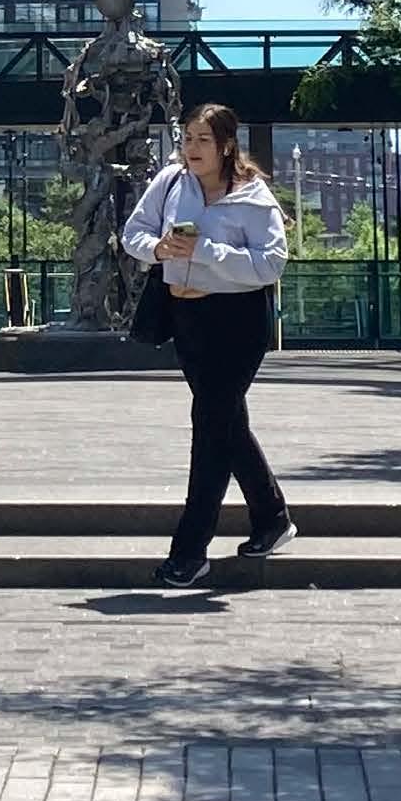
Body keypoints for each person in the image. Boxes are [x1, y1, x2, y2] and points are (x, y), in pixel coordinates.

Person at [122, 102, 294, 586]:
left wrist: (206, 251)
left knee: (210, 424)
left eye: (202, 139)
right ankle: (272, 517)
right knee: (226, 424)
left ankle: (190, 550)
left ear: (226, 145)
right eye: (186, 138)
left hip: (238, 320)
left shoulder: (254, 197)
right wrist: (157, 248)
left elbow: (270, 265)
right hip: (186, 318)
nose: (191, 148)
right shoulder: (170, 182)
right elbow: (133, 232)